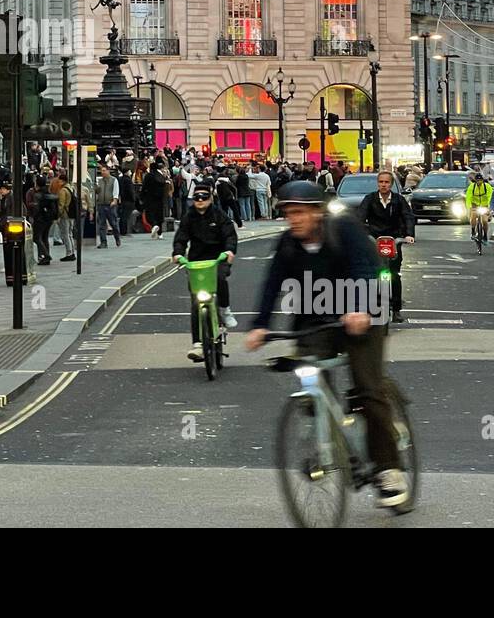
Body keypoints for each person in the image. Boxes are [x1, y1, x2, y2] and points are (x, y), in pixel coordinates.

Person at [245, 181, 408, 509]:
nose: (294, 219)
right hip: (318, 318)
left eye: (300, 212)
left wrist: (360, 308)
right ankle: (329, 429)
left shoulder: (343, 229)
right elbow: (272, 283)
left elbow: (365, 269)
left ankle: (390, 469)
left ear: (318, 212)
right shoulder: (288, 244)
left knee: (367, 388)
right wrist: (260, 326)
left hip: (364, 314)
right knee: (310, 377)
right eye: (289, 213)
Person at [172, 180, 238, 361]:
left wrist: (229, 250)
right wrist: (178, 253)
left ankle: (225, 310)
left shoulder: (219, 215)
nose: (200, 200)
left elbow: (230, 235)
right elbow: (181, 238)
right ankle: (198, 345)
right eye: (197, 197)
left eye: (204, 197)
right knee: (195, 302)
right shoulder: (188, 217)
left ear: (210, 198)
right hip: (196, 261)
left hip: (218, 258)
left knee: (220, 279)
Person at [357, 171, 416, 324]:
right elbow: (360, 217)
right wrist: (361, 234)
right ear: (378, 183)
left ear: (391, 184)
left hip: (393, 240)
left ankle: (396, 310)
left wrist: (408, 234)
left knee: (395, 275)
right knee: (370, 275)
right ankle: (371, 307)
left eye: (386, 182)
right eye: (381, 182)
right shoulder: (369, 199)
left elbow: (408, 217)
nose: (383, 185)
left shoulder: (399, 200)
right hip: (374, 240)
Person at [94, 163, 121, 249]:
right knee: (101, 224)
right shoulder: (99, 181)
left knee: (113, 223)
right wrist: (96, 187)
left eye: (104, 170)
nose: (102, 172)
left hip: (110, 204)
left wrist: (115, 200)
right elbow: (97, 192)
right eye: (101, 171)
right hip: (101, 204)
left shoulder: (114, 180)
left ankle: (117, 237)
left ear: (108, 171)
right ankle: (103, 242)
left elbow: (116, 191)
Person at [142, 159, 169, 238]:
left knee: (150, 214)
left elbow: (144, 187)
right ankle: (160, 233)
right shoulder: (160, 176)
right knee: (159, 215)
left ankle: (154, 225)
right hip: (160, 199)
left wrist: (142, 196)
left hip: (150, 198)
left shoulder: (148, 176)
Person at [465, 171, 492, 243]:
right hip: (475, 205)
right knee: (473, 216)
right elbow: (468, 197)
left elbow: (490, 197)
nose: (479, 182)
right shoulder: (472, 186)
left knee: (485, 221)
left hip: (484, 205)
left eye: (480, 180)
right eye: (477, 180)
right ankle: (473, 230)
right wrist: (469, 207)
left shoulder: (487, 186)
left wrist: (489, 206)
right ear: (475, 181)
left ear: (483, 180)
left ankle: (485, 235)